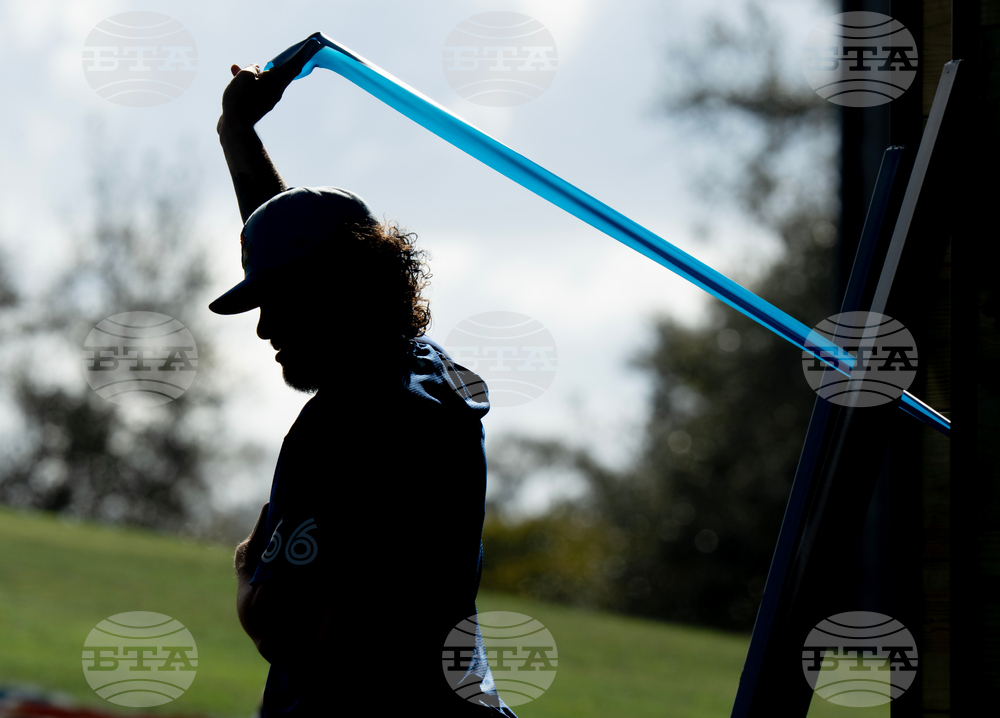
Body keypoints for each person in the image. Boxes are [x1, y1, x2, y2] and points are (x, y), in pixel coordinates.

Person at [211, 41, 518, 717]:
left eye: (278, 305)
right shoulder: (423, 376)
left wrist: (244, 579)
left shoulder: (349, 424)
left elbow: (290, 629)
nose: (264, 329)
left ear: (339, 296)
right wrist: (238, 134)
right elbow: (298, 242)